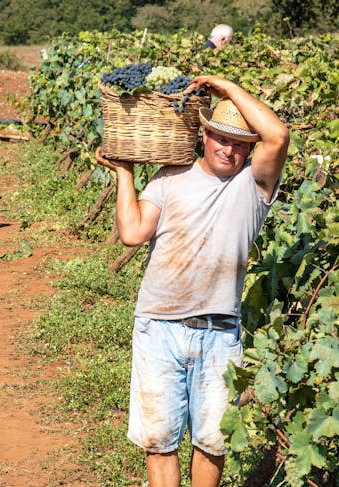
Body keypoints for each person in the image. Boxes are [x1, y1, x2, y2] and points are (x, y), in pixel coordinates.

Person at [97, 75, 289, 487]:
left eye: (240, 143)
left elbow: (278, 134)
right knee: (159, 440)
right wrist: (125, 173)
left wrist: (229, 87)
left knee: (213, 442)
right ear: (204, 134)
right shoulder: (168, 177)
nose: (229, 150)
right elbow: (132, 233)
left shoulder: (253, 185)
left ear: (250, 150)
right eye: (221, 138)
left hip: (219, 333)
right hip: (158, 328)